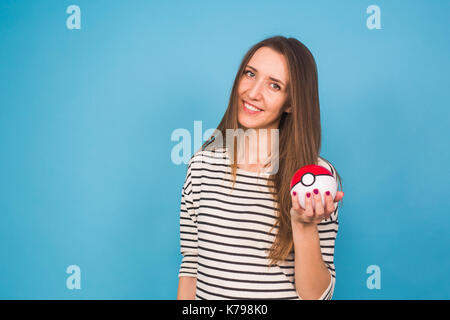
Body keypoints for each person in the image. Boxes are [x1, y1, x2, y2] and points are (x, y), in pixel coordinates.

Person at [176, 35, 345, 300]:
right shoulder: (201, 165)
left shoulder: (313, 179)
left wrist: (304, 226)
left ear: (291, 103)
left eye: (275, 85)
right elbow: (191, 264)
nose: (253, 93)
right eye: (250, 74)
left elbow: (316, 296)